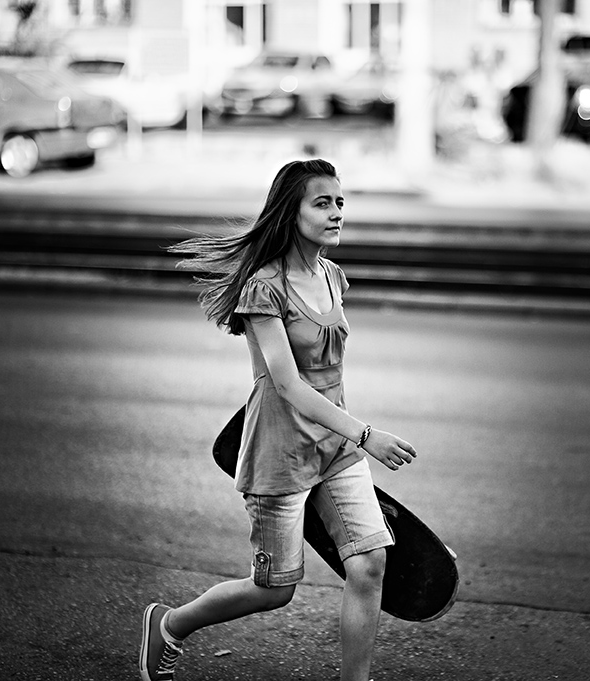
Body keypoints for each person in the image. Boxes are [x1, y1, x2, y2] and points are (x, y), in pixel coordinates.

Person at [139, 158, 418, 681]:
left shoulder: (332, 277)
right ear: (292, 213)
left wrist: (351, 438)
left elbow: (327, 374)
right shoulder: (264, 289)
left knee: (369, 564)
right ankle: (169, 624)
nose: (336, 213)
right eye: (322, 203)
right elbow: (288, 385)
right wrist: (366, 434)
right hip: (281, 452)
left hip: (335, 448)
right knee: (274, 589)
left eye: (340, 202)